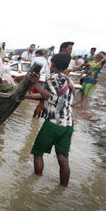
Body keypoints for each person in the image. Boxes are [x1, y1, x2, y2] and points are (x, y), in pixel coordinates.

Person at [25, 53, 75, 187]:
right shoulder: (69, 80)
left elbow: (52, 99)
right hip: (68, 124)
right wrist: (27, 96)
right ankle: (63, 188)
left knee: (37, 152)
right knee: (63, 158)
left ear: (52, 65)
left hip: (54, 123)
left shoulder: (52, 77)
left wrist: (36, 83)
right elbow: (48, 97)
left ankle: (34, 182)